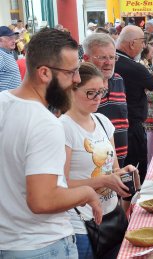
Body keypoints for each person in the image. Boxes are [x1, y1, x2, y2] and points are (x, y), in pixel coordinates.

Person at [0, 27, 101, 257]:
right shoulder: (45, 123)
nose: (76, 80)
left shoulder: (3, 102)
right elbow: (43, 200)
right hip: (42, 246)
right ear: (44, 73)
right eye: (71, 72)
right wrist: (87, 193)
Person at [60, 62, 139, 258]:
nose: (98, 98)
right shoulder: (63, 127)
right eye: (91, 93)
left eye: (101, 92)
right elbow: (61, 186)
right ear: (72, 89)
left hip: (112, 215)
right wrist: (103, 181)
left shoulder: (103, 121)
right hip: (82, 223)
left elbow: (113, 170)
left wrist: (124, 174)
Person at [115, 25, 153, 184]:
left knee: (120, 169)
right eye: (143, 42)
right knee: (134, 170)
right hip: (132, 126)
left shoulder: (116, 62)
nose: (144, 46)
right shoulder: (134, 67)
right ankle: (132, 202)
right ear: (132, 43)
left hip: (114, 125)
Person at [83, 33, 129, 170]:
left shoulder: (118, 79)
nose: (109, 62)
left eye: (112, 57)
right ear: (86, 58)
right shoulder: (79, 86)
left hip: (118, 162)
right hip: (95, 163)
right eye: (102, 57)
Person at [0, 26, 21, 91]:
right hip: (6, 99)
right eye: (10, 38)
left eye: (14, 38)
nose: (14, 41)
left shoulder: (8, 52)